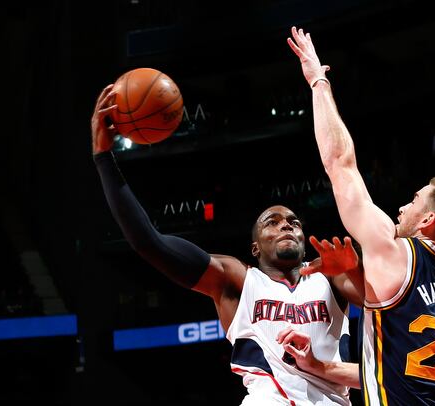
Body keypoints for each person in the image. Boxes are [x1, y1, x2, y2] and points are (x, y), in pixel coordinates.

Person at [91, 84, 365, 405]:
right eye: (271, 223)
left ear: (304, 240)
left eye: (293, 222)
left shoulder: (331, 279)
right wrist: (103, 158)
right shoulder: (237, 280)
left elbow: (388, 303)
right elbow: (148, 242)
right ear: (255, 248)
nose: (285, 225)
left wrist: (357, 269)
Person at [287, 26, 435, 405]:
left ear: (428, 222)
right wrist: (318, 365)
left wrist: (317, 81)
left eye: (414, 200)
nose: (403, 207)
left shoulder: (395, 252)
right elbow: (397, 368)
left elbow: (340, 164)